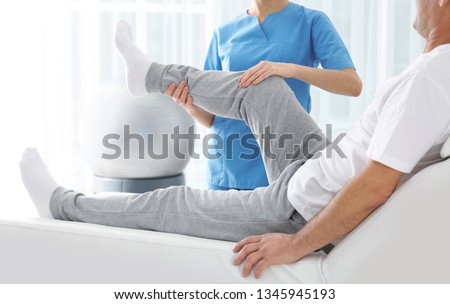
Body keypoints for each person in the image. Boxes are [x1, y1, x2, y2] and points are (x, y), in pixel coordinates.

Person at [20, 0, 450, 279]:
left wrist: (297, 244)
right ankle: (149, 74)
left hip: (300, 206)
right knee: (263, 86)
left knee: (175, 201)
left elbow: (376, 183)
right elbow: (213, 113)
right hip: (313, 164)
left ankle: (60, 204)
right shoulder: (433, 67)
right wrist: (189, 104)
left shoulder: (432, 75)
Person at [166, 0, 362, 190]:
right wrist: (190, 106)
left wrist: (291, 69)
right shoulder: (223, 33)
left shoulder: (311, 22)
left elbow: (352, 85)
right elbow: (213, 117)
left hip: (285, 164)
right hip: (227, 167)